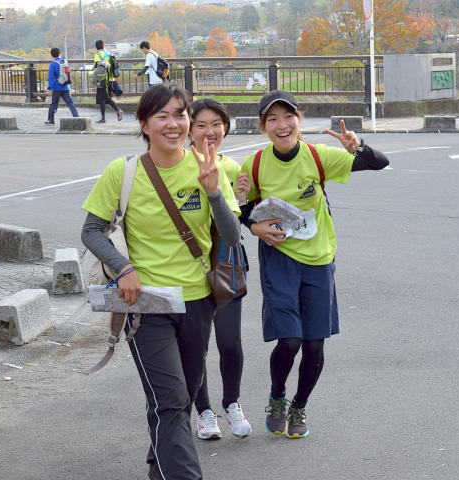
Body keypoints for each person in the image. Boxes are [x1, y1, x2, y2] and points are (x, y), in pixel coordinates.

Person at [81, 84, 240, 480]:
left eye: (180, 114)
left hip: (198, 301)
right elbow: (91, 230)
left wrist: (214, 192)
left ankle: (160, 467)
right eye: (162, 116)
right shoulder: (123, 171)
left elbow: (232, 236)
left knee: (179, 399)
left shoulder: (209, 167)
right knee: (170, 399)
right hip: (145, 304)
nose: (174, 123)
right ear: (144, 124)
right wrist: (123, 268)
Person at [239, 90, 389, 439]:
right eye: (272, 119)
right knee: (290, 340)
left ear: (299, 120)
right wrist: (252, 223)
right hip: (279, 258)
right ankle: (277, 397)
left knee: (314, 344)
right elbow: (242, 209)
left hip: (319, 259)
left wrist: (357, 147)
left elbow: (380, 163)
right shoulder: (254, 164)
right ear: (262, 126)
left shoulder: (318, 157)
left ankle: (299, 406)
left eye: (288, 117)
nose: (282, 125)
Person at [188, 98, 252, 441]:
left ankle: (232, 403)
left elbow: (235, 219)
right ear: (189, 129)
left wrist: (242, 199)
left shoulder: (231, 167)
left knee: (229, 341)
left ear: (226, 127)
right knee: (196, 344)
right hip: (191, 266)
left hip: (227, 262)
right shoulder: (179, 165)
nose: (209, 131)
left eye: (217, 124)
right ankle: (204, 411)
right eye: (201, 125)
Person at [45, 47, 79, 125]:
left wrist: (49, 88)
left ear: (52, 55)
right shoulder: (65, 61)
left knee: (54, 103)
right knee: (70, 103)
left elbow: (51, 77)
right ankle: (77, 117)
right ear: (60, 53)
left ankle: (51, 120)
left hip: (57, 87)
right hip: (66, 86)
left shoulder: (53, 63)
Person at [93, 39, 123, 124]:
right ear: (104, 46)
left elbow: (97, 66)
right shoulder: (110, 54)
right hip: (111, 80)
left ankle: (103, 118)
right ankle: (117, 111)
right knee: (107, 98)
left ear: (96, 47)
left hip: (103, 80)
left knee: (101, 99)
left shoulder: (98, 54)